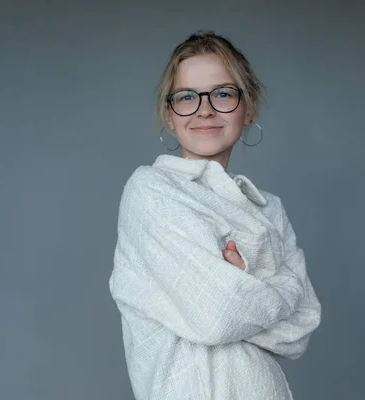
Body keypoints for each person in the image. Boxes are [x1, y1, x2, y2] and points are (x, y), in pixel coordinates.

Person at [109, 30, 321, 400]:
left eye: (223, 93)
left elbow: (300, 329)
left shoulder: (268, 208)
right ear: (169, 115)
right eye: (187, 97)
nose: (204, 109)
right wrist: (279, 285)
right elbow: (219, 316)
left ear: (248, 107)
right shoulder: (151, 192)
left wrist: (242, 282)